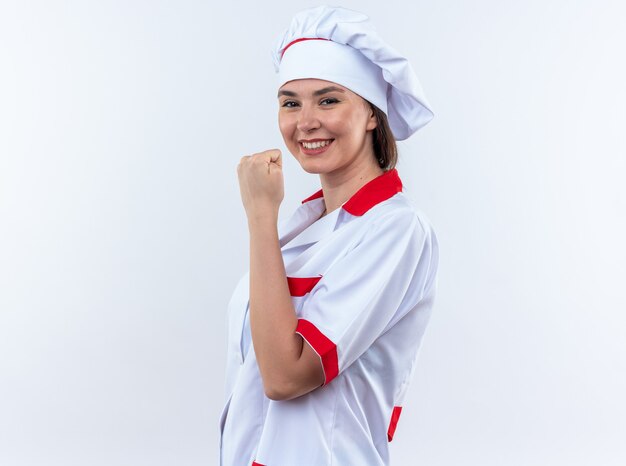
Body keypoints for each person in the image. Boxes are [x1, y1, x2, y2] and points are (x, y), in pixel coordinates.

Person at [219, 5, 439, 466]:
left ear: (372, 115)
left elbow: (285, 377)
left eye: (329, 99)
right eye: (290, 102)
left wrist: (259, 214)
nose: (305, 122)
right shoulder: (302, 228)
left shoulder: (396, 230)